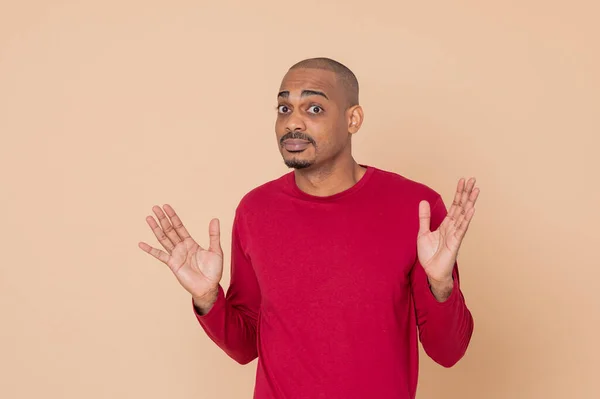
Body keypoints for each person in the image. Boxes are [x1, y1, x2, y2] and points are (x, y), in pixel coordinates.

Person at [138, 57, 480, 399]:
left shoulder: (416, 207)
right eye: (284, 108)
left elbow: (448, 352)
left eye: (314, 108)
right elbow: (245, 347)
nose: (293, 123)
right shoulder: (256, 210)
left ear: (353, 119)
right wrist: (208, 297)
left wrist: (440, 284)